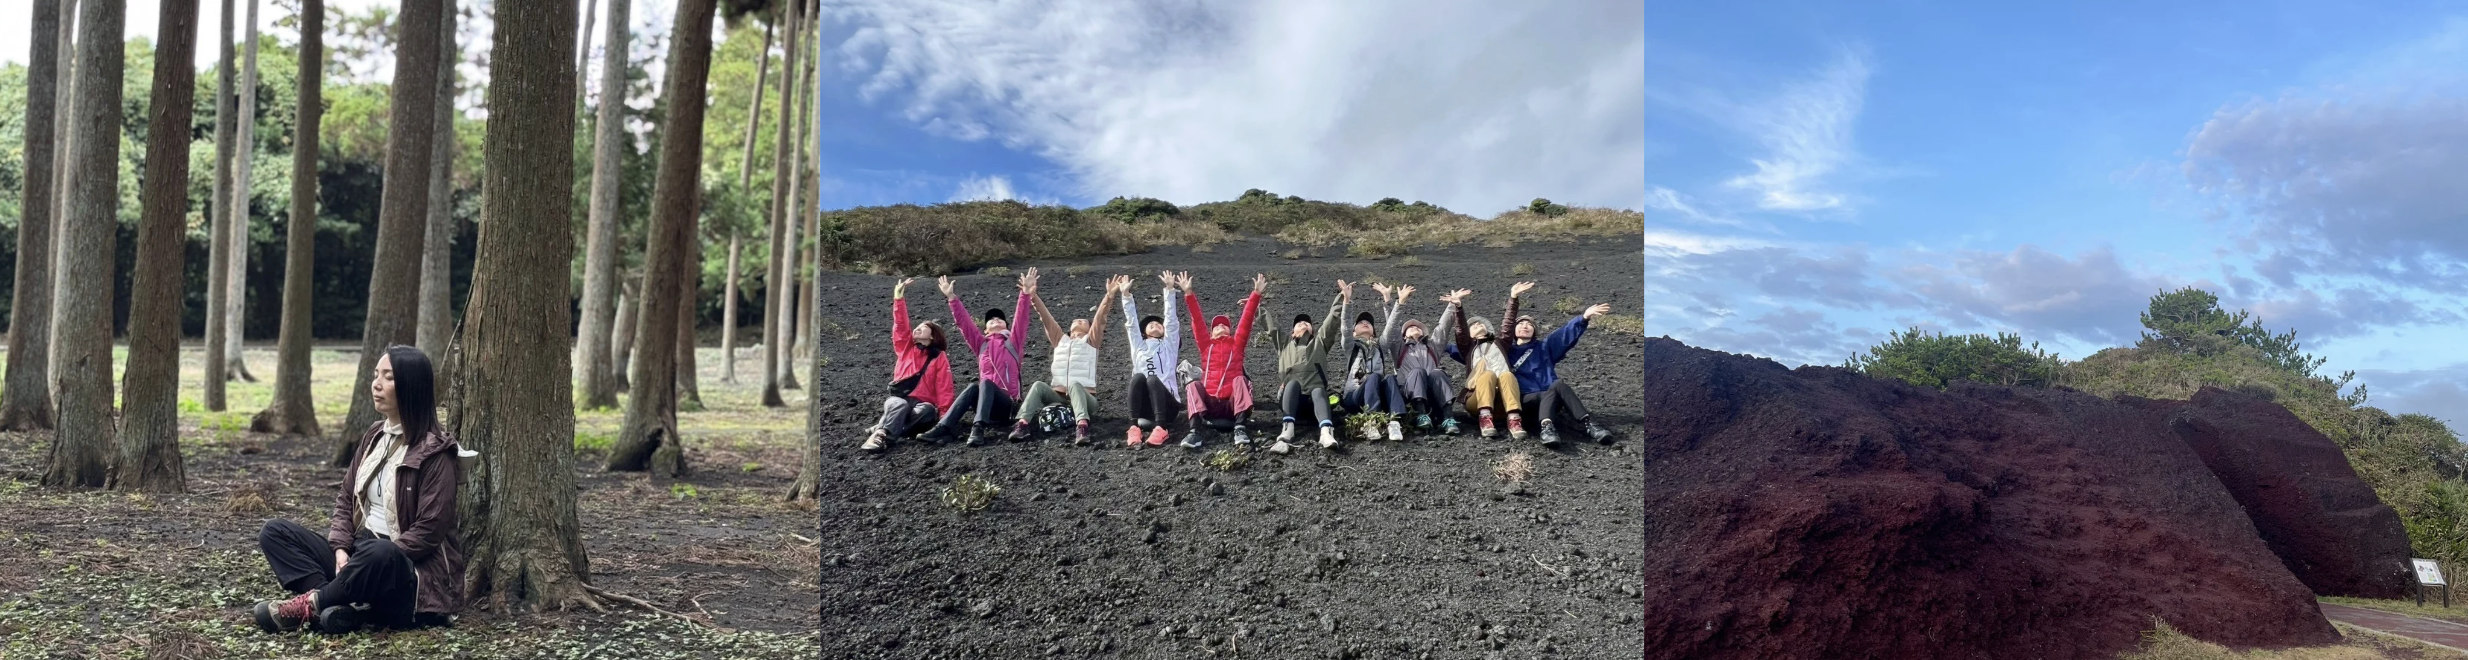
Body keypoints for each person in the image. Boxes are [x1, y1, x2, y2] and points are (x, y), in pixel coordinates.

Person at [254, 346, 467, 634]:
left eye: (388, 377)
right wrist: (342, 550)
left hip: (407, 576)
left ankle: (311, 605)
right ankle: (337, 606)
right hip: (361, 555)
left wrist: (366, 561)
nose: (376, 384)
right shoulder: (374, 435)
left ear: (411, 385)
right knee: (275, 532)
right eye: (375, 375)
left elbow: (429, 530)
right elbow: (346, 498)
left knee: (380, 552)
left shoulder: (436, 452)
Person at [921, 269, 1036, 446]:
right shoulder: (981, 344)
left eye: (1000, 319)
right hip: (986, 404)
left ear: (1006, 325)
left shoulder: (1013, 342)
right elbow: (965, 324)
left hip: (1007, 406)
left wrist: (1025, 294)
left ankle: (978, 428)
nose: (996, 320)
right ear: (986, 329)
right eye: (991, 320)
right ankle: (943, 427)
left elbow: (1021, 319)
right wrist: (952, 298)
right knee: (973, 387)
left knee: (985, 383)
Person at [1009, 274, 1124, 445]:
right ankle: (1022, 424)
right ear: (1069, 329)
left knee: (1075, 384)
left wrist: (1109, 296)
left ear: (1088, 328)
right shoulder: (1060, 340)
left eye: (1084, 320)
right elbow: (1046, 319)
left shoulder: (1091, 341)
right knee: (1038, 386)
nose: (1080, 320)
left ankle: (1082, 426)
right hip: (1059, 396)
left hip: (1086, 399)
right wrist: (1033, 296)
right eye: (1076, 320)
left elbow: (1100, 319)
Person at [863, 278, 955, 452]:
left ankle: (885, 425)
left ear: (933, 336)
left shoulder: (939, 356)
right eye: (917, 327)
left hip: (922, 403)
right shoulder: (905, 348)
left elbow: (944, 386)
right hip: (900, 398)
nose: (917, 329)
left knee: (927, 411)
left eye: (923, 327)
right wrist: (899, 299)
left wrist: (944, 416)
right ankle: (880, 435)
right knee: (899, 405)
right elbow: (901, 325)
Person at [1508, 300, 1618, 445]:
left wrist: (1584, 317)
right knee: (1551, 389)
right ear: (1513, 330)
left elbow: (1564, 335)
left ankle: (1590, 424)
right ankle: (1547, 428)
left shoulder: (1544, 348)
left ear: (1534, 330)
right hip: (1524, 401)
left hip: (1551, 399)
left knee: (1558, 384)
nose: (1525, 326)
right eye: (1520, 324)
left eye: (1529, 325)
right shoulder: (1507, 352)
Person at [1182, 273, 1268, 449]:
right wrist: (1189, 293)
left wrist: (1256, 294)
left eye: (1224, 325)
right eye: (1216, 326)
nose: (1220, 326)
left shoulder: (1237, 345)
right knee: (1193, 385)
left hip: (1231, 405)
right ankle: (1194, 433)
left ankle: (1240, 428)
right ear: (1211, 333)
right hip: (1210, 405)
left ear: (1230, 330)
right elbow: (1197, 321)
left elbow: (1246, 320)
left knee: (1241, 380)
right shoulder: (1206, 346)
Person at [1272, 280, 1352, 452]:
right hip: (1291, 400)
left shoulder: (1320, 342)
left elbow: (1331, 322)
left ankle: (1326, 432)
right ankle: (1288, 429)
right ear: (1292, 332)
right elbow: (1271, 326)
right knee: (1292, 384)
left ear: (1313, 330)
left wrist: (1342, 297)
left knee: (1317, 389)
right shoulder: (1285, 344)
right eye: (1299, 323)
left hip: (1316, 401)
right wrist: (1255, 303)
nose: (1303, 324)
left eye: (1307, 323)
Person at [1449, 283, 1531, 440]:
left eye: (1480, 323)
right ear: (1470, 334)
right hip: (1477, 400)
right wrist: (1458, 307)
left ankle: (1514, 420)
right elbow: (1460, 332)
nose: (1477, 324)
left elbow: (1508, 323)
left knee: (1507, 375)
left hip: (1503, 401)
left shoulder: (1500, 343)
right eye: (1472, 326)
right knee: (1487, 375)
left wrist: (1513, 297)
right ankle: (1485, 419)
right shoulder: (1468, 347)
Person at [1120, 271, 1187, 448]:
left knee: (1152, 379)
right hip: (1144, 407)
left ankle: (1161, 428)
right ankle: (1133, 427)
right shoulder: (1139, 346)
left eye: (1159, 324)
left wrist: (1170, 290)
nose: (1156, 325)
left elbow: (1172, 322)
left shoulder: (1169, 346)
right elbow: (1131, 324)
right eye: (1151, 324)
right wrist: (1126, 296)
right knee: (1138, 378)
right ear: (1144, 333)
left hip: (1168, 407)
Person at [1342, 283, 1411, 441]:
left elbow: (1392, 328)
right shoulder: (1350, 346)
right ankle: (1371, 421)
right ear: (1353, 333)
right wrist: (1346, 301)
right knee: (1373, 376)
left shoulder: (1380, 345)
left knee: (1389, 378)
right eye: (1360, 323)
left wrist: (1393, 301)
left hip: (1377, 395)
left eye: (1369, 323)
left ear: (1374, 332)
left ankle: (1394, 422)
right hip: (1354, 397)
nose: (1365, 323)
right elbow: (1345, 327)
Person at [1395, 289, 1468, 435]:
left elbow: (1443, 327)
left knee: (1437, 372)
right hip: (1409, 392)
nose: (1415, 327)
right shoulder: (1399, 348)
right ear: (1403, 336)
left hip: (1432, 391)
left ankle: (1448, 418)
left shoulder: (1432, 347)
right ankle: (1421, 414)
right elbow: (1391, 330)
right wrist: (1399, 304)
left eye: (1418, 328)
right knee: (1417, 371)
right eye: (1410, 328)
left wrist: (1452, 305)